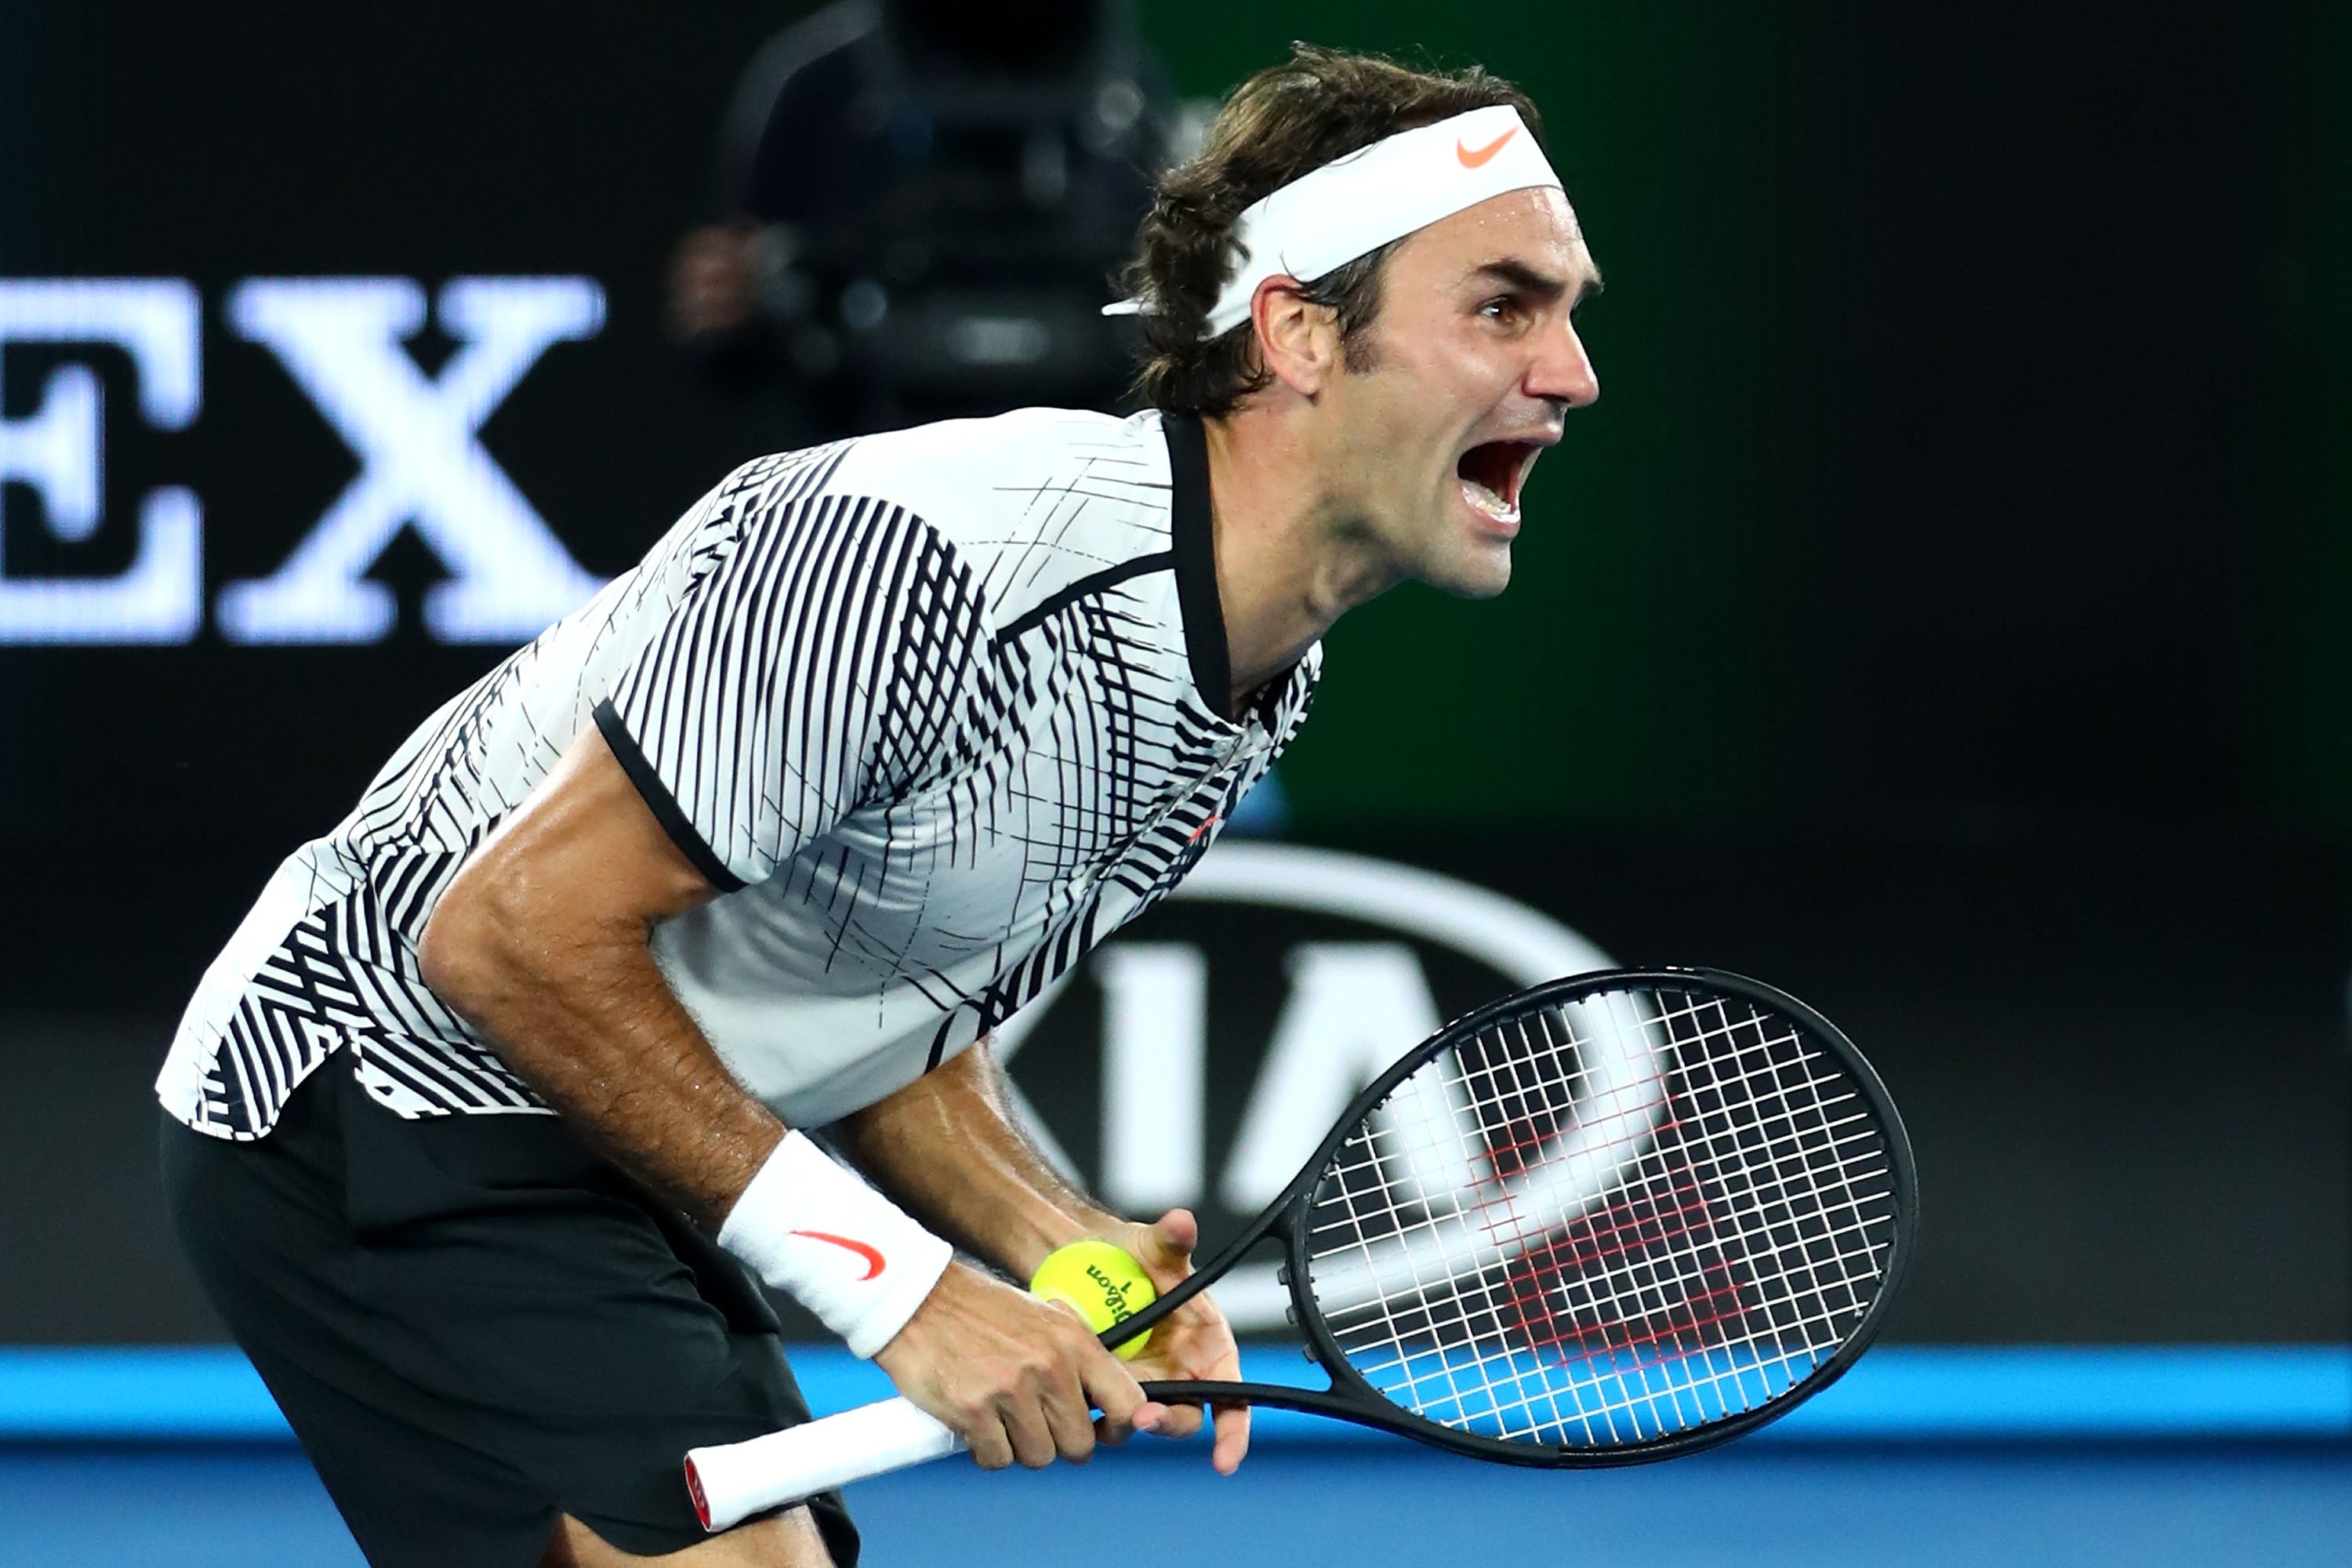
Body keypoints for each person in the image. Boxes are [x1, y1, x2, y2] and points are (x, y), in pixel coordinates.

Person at [157, 42, 1601, 1568]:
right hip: (366, 1097)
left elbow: (873, 976)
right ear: (1300, 332)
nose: (1574, 372)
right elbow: (504, 935)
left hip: (602, 1121)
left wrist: (1058, 1238)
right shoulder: (929, 561)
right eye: (1504, 305)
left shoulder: (1248, 678)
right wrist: (905, 1293)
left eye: (1568, 312)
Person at [670, 0, 1175, 437]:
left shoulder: (1128, 89)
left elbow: (1167, 304)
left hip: (1080, 487)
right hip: (864, 481)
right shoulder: (816, 87)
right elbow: (722, 337)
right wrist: (736, 303)